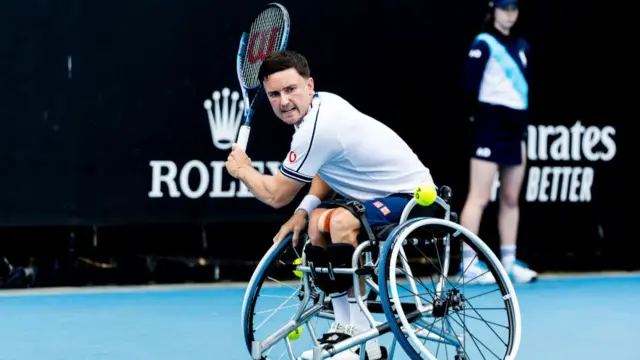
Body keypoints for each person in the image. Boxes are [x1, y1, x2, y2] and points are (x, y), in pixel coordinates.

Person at [225, 50, 435, 360]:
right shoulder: (322, 107)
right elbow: (327, 167)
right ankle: (350, 333)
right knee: (316, 223)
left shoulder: (317, 129)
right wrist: (304, 210)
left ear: (309, 86)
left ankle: (353, 337)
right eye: (274, 94)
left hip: (412, 199)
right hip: (373, 200)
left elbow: (275, 195)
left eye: (291, 89)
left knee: (338, 222)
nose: (284, 101)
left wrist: (242, 170)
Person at [458, 0, 537, 284]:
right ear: (494, 10)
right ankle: (468, 265)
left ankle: (509, 261)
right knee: (479, 196)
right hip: (490, 125)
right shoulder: (484, 42)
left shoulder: (522, 46)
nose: (510, 14)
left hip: (516, 127)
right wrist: (478, 120)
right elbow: (469, 85)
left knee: (511, 198)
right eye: (505, 8)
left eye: (515, 8)